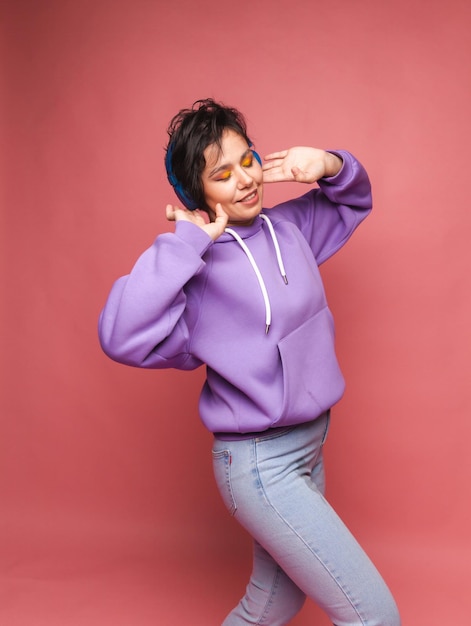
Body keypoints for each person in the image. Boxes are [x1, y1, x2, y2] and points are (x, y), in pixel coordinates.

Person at [98, 98, 400, 626]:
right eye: (221, 174)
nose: (244, 180)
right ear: (198, 193)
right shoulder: (198, 270)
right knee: (375, 616)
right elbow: (120, 335)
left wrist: (329, 164)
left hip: (311, 444)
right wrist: (186, 245)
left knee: (274, 603)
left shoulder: (291, 229)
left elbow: (354, 202)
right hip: (260, 466)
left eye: (248, 160)